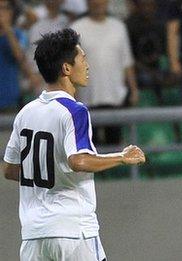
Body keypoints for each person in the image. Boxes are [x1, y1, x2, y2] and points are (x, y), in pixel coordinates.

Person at [2, 28, 146, 260]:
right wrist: (121, 157)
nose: (87, 65)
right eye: (83, 58)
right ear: (66, 68)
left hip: (33, 237)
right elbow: (78, 161)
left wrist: (50, 169)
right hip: (73, 231)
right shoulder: (74, 111)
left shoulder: (25, 113)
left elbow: (9, 170)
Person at [71, 0, 139, 145]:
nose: (97, 3)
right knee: (89, 148)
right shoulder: (76, 29)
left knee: (114, 148)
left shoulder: (119, 27)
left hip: (115, 97)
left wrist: (133, 90)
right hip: (87, 98)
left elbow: (127, 61)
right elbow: (72, 66)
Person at [0, 0, 41, 112]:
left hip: (10, 101)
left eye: (4, 8)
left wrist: (7, 28)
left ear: (11, 12)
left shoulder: (18, 34)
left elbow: (19, 57)